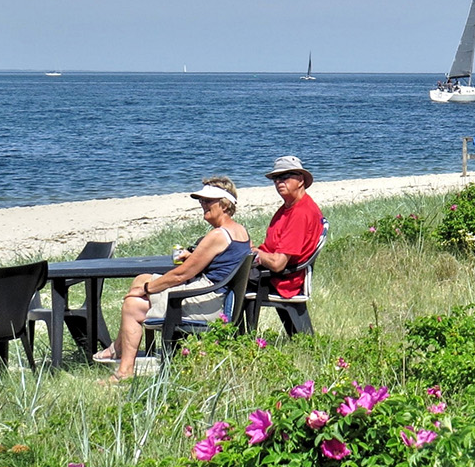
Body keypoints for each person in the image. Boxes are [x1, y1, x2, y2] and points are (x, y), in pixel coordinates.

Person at [97, 177, 252, 382]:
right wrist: (146, 283)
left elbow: (182, 274)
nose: (203, 205)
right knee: (141, 278)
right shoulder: (239, 230)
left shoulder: (218, 235)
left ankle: (124, 372)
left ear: (224, 205)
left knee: (132, 305)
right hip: (216, 296)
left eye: (208, 201)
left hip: (207, 302)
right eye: (201, 201)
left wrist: (147, 288)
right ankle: (118, 348)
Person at [255, 155, 325, 300]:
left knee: (225, 274)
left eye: (285, 176)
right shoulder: (289, 207)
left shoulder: (300, 213)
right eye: (276, 178)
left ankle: (226, 322)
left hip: (283, 280)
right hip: (275, 273)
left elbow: (277, 264)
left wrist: (253, 252)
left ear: (301, 180)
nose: (279, 181)